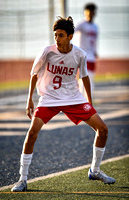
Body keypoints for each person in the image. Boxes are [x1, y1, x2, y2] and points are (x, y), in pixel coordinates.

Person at [11, 16, 115, 192]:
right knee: (32, 133)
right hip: (49, 98)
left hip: (73, 98)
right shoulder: (47, 51)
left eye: (61, 35)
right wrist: (30, 99)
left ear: (70, 36)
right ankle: (22, 179)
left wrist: (89, 101)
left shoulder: (80, 54)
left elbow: (84, 77)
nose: (57, 39)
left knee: (103, 130)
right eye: (55, 35)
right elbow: (34, 74)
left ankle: (95, 170)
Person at [73, 3, 98, 95]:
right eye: (87, 13)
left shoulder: (95, 27)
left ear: (94, 13)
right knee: (84, 77)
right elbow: (71, 32)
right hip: (83, 55)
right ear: (85, 13)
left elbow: (95, 40)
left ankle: (88, 99)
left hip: (91, 56)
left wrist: (95, 51)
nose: (89, 15)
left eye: (91, 12)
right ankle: (82, 99)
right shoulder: (81, 24)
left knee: (91, 77)